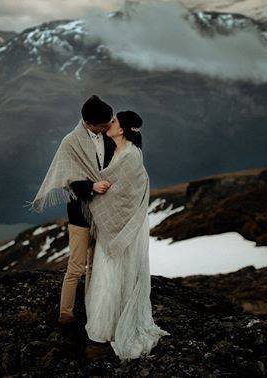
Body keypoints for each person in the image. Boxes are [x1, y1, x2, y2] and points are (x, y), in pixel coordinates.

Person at [83, 110, 170, 361]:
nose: (109, 124)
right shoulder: (120, 151)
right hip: (115, 227)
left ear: (121, 129)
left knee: (117, 273)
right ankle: (107, 327)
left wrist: (100, 202)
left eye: (114, 122)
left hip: (125, 227)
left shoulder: (131, 155)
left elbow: (126, 197)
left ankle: (112, 328)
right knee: (111, 274)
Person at [29, 95, 116, 326]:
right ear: (89, 123)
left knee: (97, 265)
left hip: (103, 212)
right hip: (80, 213)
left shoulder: (107, 138)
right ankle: (65, 313)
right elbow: (68, 177)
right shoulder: (71, 142)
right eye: (103, 124)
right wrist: (91, 186)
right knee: (76, 266)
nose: (107, 126)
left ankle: (93, 308)